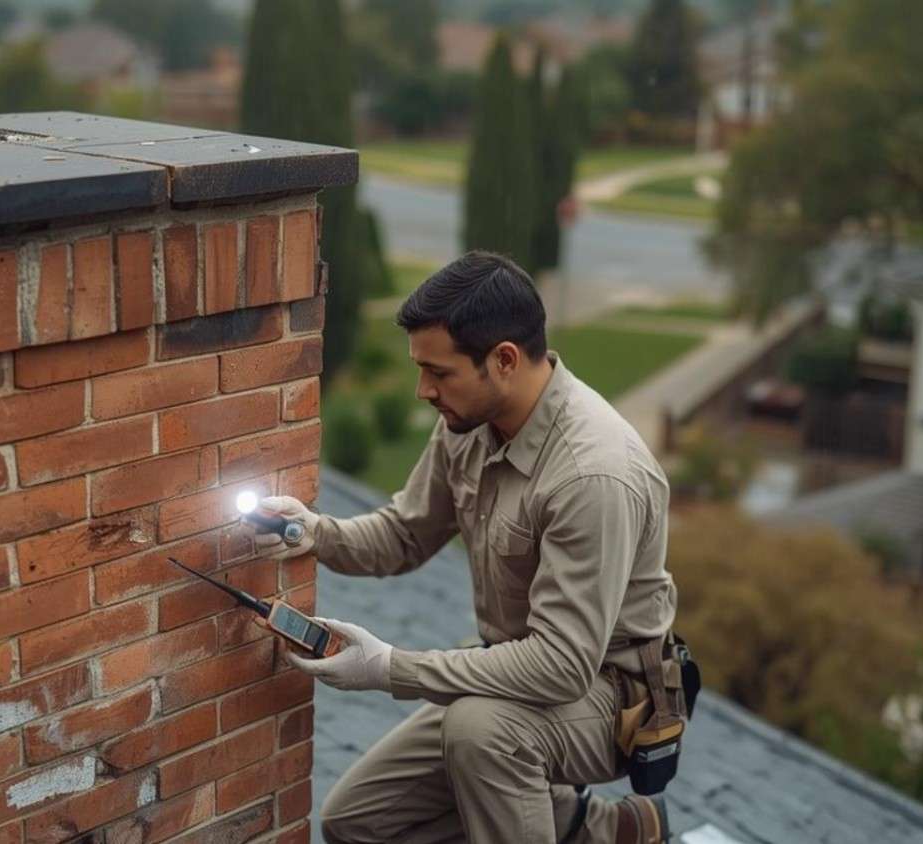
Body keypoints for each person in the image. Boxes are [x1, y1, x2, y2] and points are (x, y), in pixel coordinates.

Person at [252, 252, 679, 844]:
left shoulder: (592, 476)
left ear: (503, 360)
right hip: (516, 676)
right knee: (356, 820)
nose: (424, 390)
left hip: (609, 698)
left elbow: (560, 666)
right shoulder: (469, 422)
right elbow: (405, 534)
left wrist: (388, 668)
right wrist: (313, 533)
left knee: (482, 732)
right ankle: (604, 830)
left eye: (439, 372)